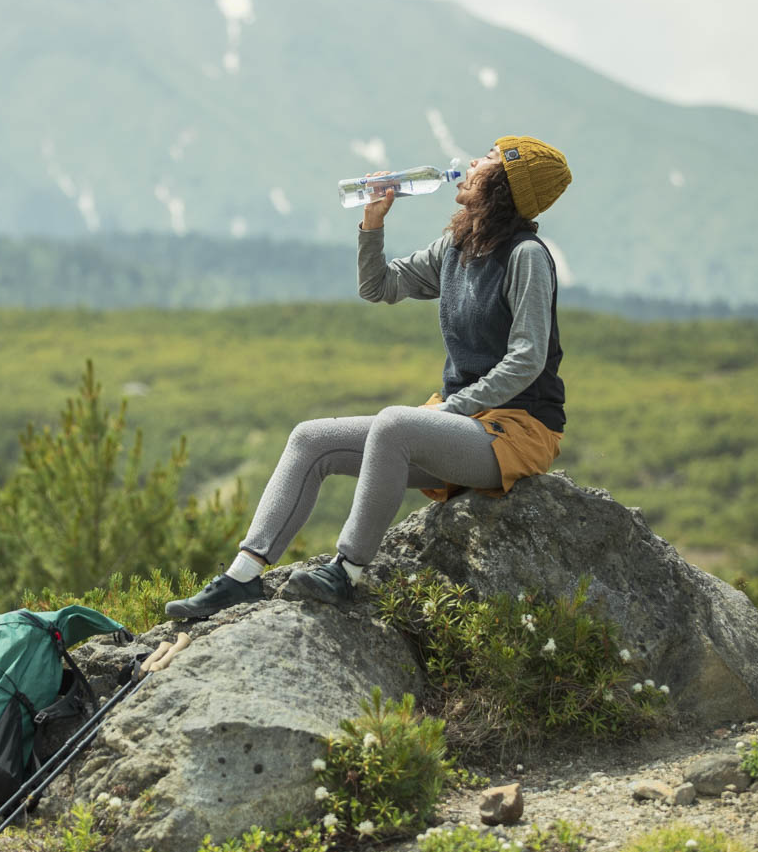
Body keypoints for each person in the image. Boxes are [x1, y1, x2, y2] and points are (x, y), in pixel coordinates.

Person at [165, 135, 572, 619]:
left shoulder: (527, 255)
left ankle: (347, 573)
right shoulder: (458, 247)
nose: (470, 162)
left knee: (395, 425)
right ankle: (242, 577)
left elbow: (527, 360)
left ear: (505, 182)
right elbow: (379, 286)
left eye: (486, 158)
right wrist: (372, 224)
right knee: (310, 438)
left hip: (516, 432)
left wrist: (451, 408)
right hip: (461, 426)